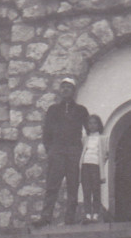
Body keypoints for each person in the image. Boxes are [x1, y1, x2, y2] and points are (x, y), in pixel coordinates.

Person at [32, 78, 89, 227]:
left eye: (68, 87)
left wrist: (82, 150)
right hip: (57, 150)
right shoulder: (53, 110)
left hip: (73, 150)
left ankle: (69, 219)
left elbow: (89, 130)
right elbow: (47, 132)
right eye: (63, 87)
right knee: (52, 185)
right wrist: (50, 149)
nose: (65, 90)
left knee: (73, 185)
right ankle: (45, 217)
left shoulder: (81, 110)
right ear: (60, 90)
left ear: (73, 91)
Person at [79, 114, 109, 223]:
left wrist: (101, 162)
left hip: (95, 165)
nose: (92, 125)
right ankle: (87, 214)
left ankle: (96, 214)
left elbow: (106, 153)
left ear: (99, 125)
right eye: (90, 123)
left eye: (95, 123)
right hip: (85, 164)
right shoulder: (85, 139)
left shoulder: (103, 139)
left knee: (96, 189)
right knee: (86, 190)